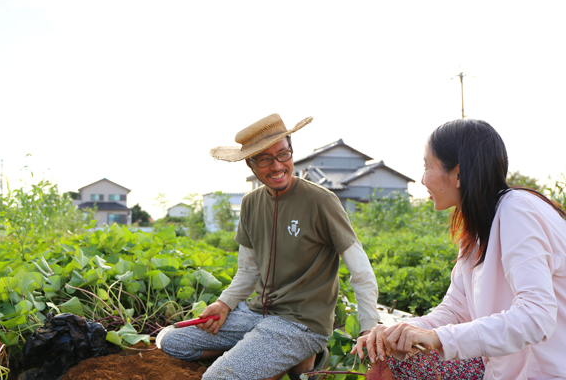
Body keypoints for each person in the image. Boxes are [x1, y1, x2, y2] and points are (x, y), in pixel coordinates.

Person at [157, 114, 380, 380]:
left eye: (283, 154)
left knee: (217, 378)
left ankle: (300, 354)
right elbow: (247, 271)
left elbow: (361, 271)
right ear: (251, 165)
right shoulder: (250, 204)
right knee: (172, 341)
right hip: (254, 314)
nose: (277, 166)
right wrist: (224, 303)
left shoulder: (321, 201)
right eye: (265, 159)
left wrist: (368, 327)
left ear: (291, 153)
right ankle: (271, 357)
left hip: (299, 323)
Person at [351, 119, 566, 380]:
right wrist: (398, 331)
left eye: (427, 166)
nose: (422, 179)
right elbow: (455, 310)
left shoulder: (518, 211)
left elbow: (536, 316)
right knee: (395, 358)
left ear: (459, 174)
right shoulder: (477, 230)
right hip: (502, 369)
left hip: (546, 371)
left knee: (408, 363)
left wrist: (437, 338)